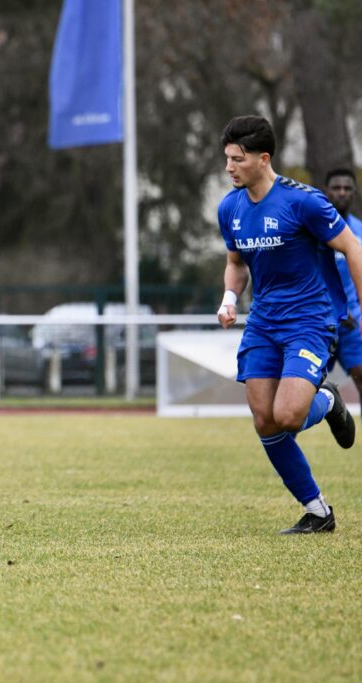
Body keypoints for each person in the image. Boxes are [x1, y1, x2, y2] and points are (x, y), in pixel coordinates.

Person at [216, 115, 362, 535]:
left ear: (264, 159)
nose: (229, 168)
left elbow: (352, 247)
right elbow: (235, 263)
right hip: (263, 322)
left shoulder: (304, 202)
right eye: (226, 159)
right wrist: (229, 300)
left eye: (237, 160)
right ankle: (317, 511)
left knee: (289, 414)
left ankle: (329, 401)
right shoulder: (230, 207)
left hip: (309, 321)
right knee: (265, 419)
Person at [323, 168, 362, 401]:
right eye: (336, 188)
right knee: (303, 388)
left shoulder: (359, 232)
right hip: (319, 322)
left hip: (352, 325)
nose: (342, 193)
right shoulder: (313, 231)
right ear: (326, 192)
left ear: (354, 193)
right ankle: (288, 437)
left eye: (347, 188)